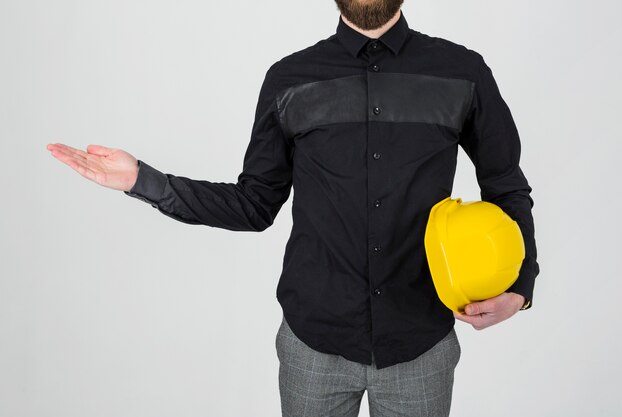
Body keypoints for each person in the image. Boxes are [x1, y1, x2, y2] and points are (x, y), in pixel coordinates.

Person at [47, 0, 539, 415]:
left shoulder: (462, 71)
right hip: (312, 345)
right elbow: (254, 204)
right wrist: (143, 180)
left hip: (420, 345)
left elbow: (506, 186)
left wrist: (520, 285)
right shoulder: (289, 79)